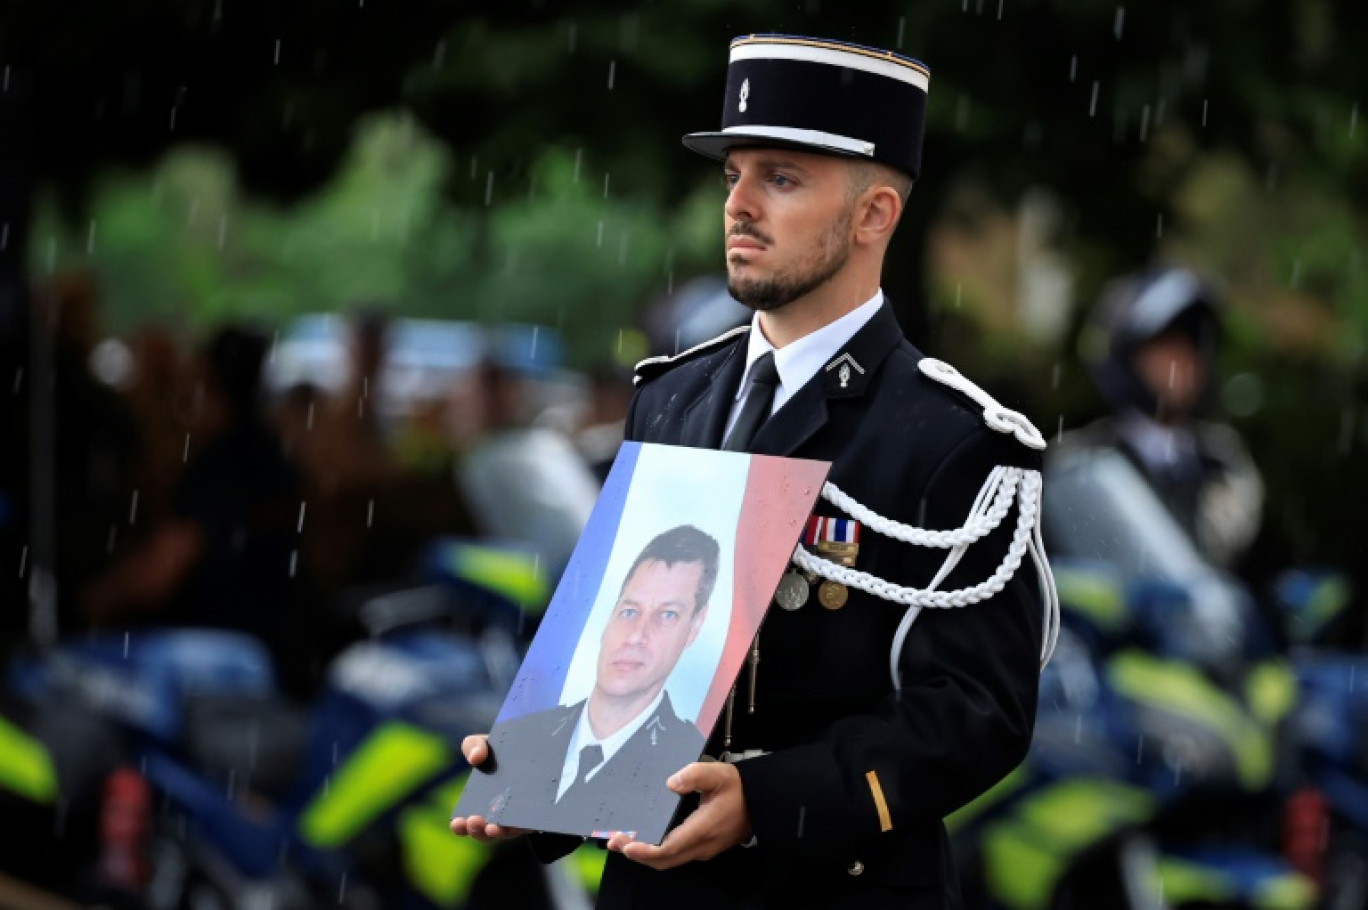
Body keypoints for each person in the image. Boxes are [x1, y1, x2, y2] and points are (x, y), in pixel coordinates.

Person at [453, 34, 1057, 909]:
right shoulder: (670, 399)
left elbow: (975, 716)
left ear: (874, 214)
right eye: (732, 175)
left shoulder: (955, 438)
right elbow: (630, 651)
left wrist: (769, 804)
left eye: (780, 178)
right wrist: (538, 780)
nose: (738, 204)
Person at [460, 525, 715, 841]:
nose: (636, 635)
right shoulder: (530, 737)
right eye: (629, 610)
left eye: (667, 615)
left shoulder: (687, 756)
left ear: (694, 628)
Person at [1069, 265, 1263, 569]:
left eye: (1192, 344)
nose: (1182, 360)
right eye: (1165, 344)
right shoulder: (1080, 462)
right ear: (1126, 354)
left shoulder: (1221, 460)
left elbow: (1227, 563)